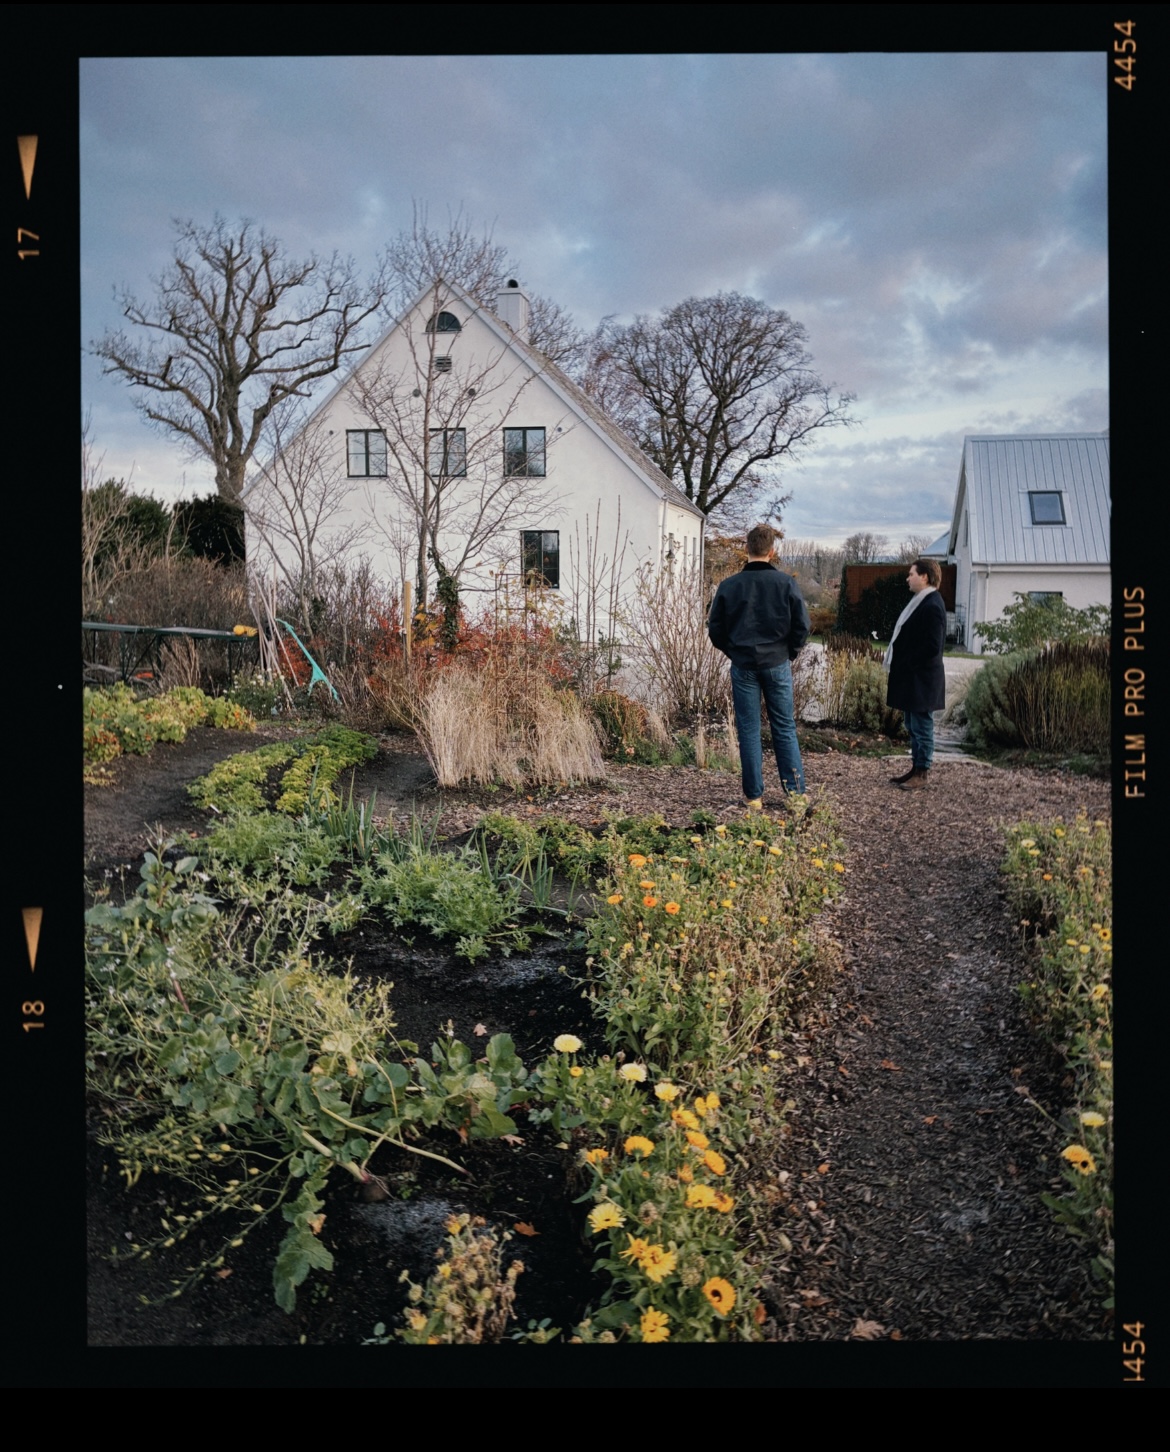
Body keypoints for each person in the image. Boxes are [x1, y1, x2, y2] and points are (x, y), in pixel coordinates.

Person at [707, 523, 810, 808]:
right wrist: (790, 652)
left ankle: (754, 798)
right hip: (776, 662)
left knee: (749, 729)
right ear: (772, 551)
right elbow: (802, 625)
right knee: (784, 727)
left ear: (746, 548)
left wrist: (734, 652)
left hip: (744, 665)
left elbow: (715, 629)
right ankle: (796, 797)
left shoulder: (729, 586)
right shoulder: (786, 584)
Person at [884, 558, 946, 789]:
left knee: (922, 726)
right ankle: (915, 768)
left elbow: (932, 646)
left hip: (922, 679)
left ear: (925, 577)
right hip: (914, 678)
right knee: (912, 724)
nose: (907, 578)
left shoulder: (931, 605)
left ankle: (922, 772)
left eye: (911, 574)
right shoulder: (921, 602)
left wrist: (907, 661)